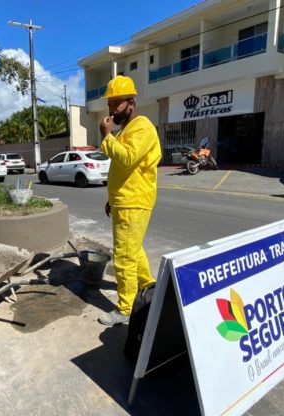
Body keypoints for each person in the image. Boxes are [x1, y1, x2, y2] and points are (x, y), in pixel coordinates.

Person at [98, 75, 162, 326]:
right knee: (133, 250)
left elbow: (126, 158)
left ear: (131, 103)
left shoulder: (142, 126)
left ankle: (125, 309)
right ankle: (149, 287)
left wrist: (106, 136)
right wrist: (111, 199)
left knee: (123, 257)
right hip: (124, 200)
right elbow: (123, 170)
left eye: (118, 104)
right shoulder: (128, 130)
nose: (113, 109)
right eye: (110, 104)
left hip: (134, 201)